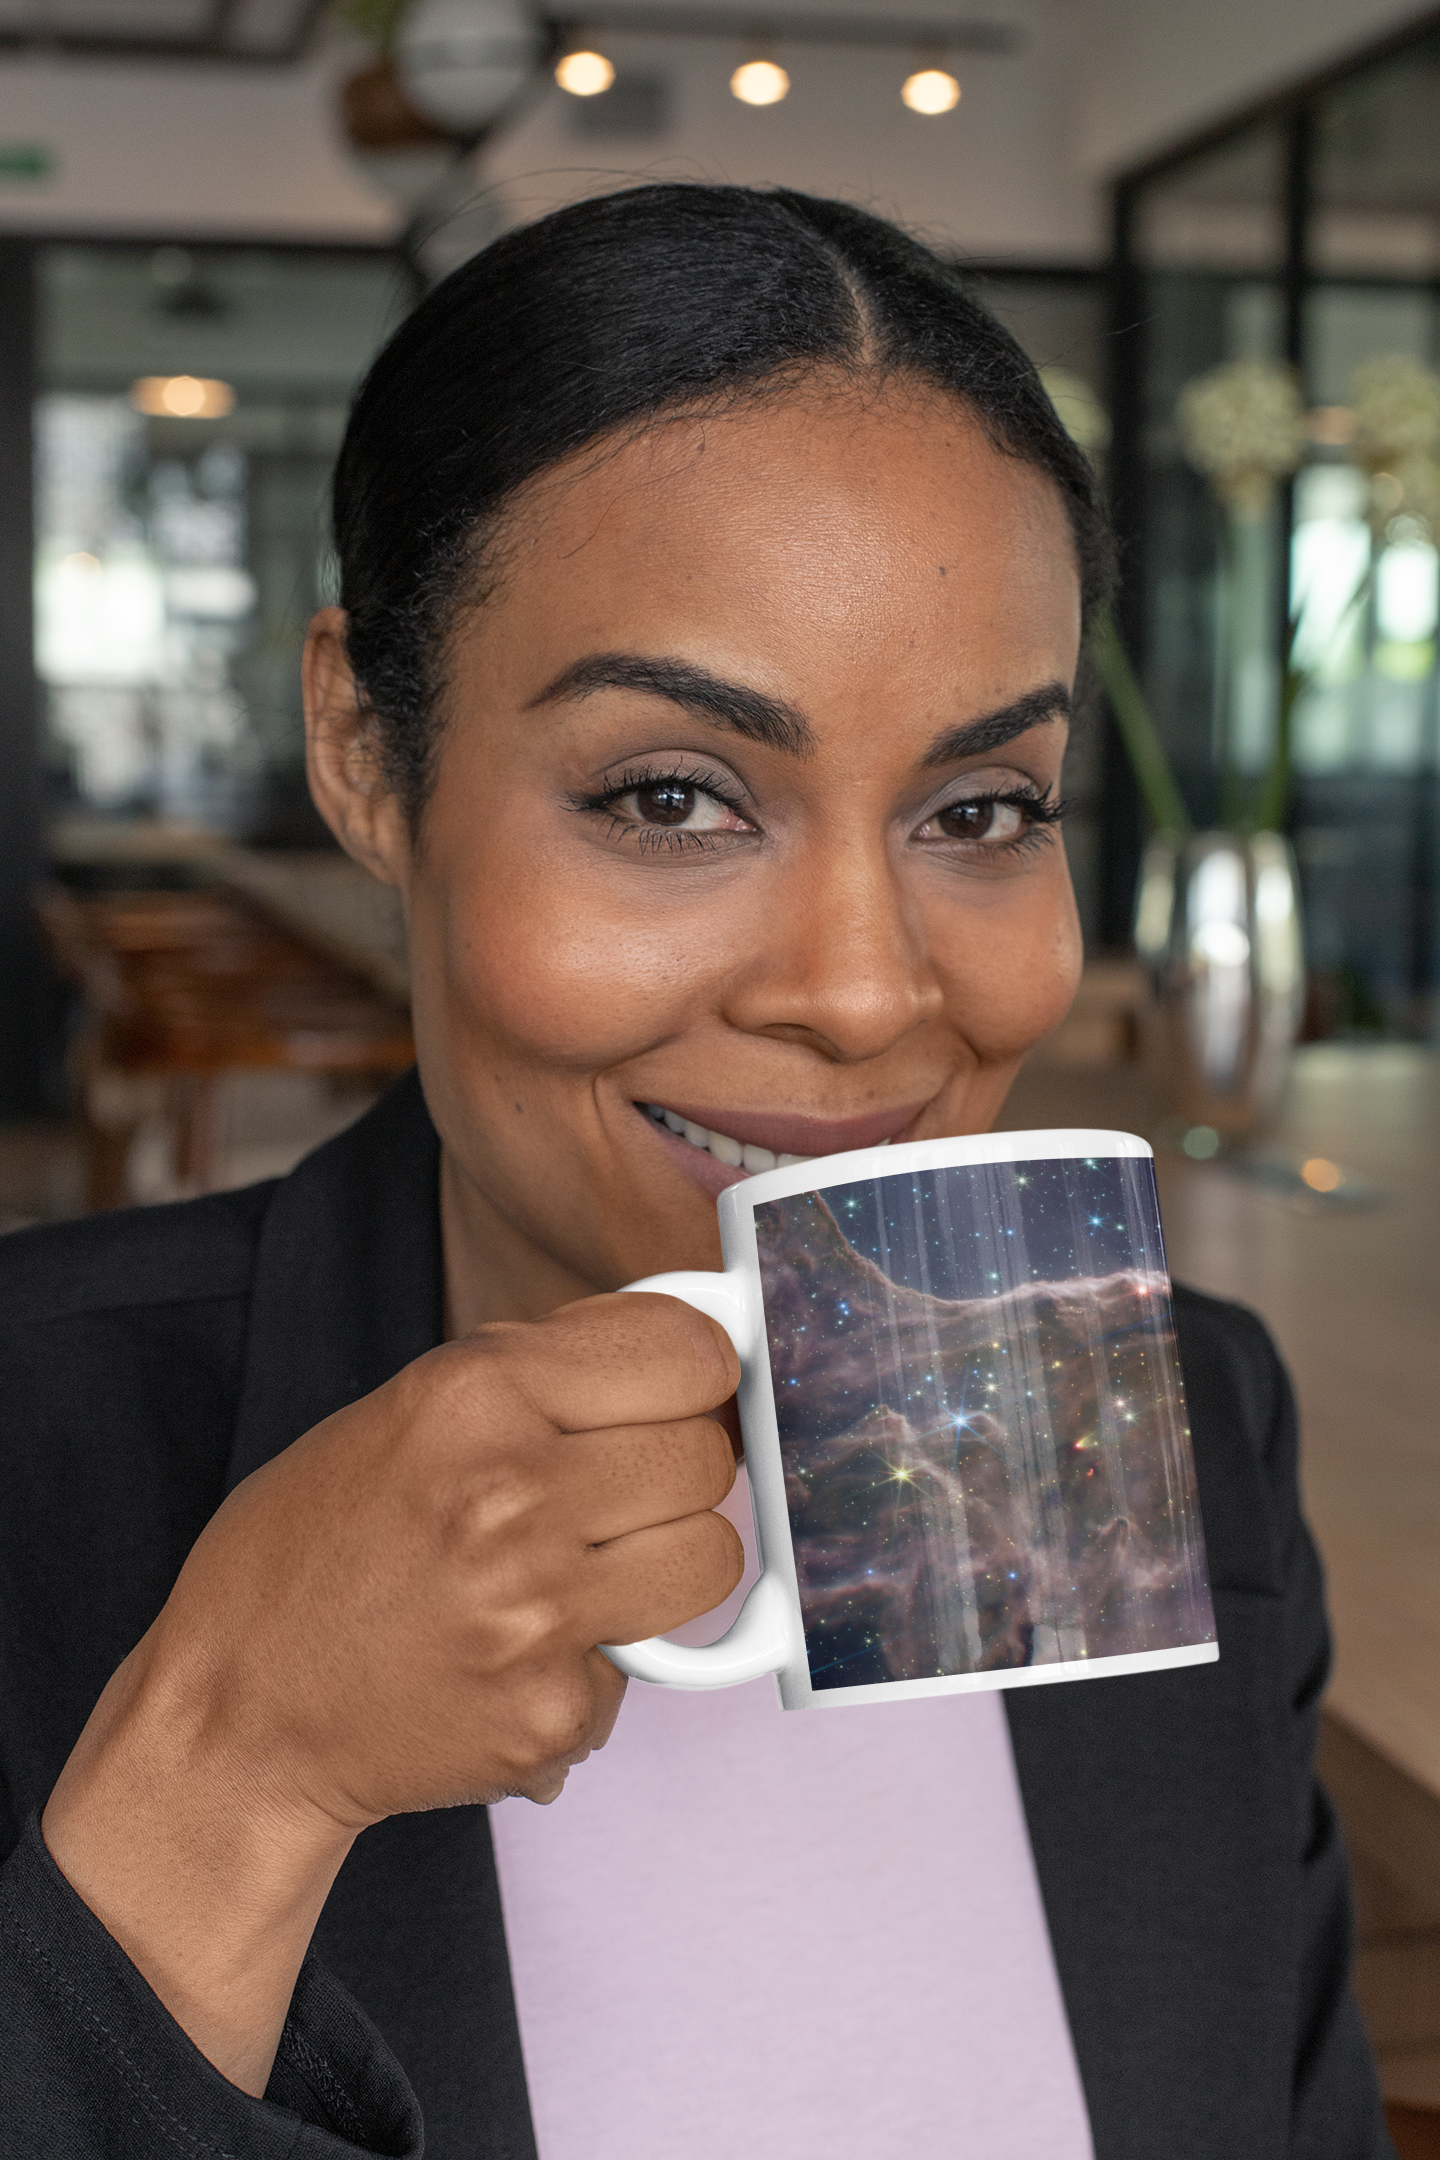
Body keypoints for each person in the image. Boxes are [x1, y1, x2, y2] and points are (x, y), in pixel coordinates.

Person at [0, 184, 1391, 2160]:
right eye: (673, 796)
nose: (859, 990)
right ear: (363, 752)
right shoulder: (40, 1446)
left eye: (983, 806)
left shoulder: (1166, 1403)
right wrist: (237, 1764)